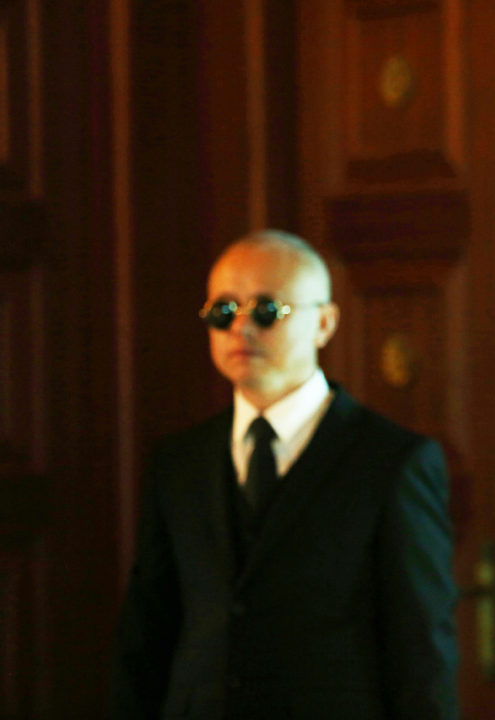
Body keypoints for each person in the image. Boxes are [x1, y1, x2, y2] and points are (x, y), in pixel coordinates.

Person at [111, 230, 458, 720]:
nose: (241, 328)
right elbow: (149, 627)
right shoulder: (179, 461)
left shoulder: (393, 461)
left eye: (267, 310)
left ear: (325, 323)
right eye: (223, 311)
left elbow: (421, 649)